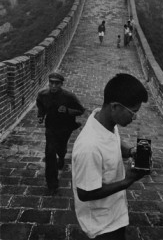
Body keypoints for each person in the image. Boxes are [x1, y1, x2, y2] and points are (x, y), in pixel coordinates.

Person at [72, 73, 148, 239]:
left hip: (115, 212)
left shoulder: (105, 121)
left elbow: (112, 141)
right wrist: (128, 180)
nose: (134, 118)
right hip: (102, 226)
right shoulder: (89, 146)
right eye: (133, 112)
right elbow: (84, 193)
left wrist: (130, 151)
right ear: (115, 106)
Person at [36, 72, 85, 194]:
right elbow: (41, 106)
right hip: (51, 128)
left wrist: (68, 110)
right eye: (51, 83)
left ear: (61, 84)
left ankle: (62, 156)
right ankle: (52, 184)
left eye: (56, 83)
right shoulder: (42, 94)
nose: (53, 86)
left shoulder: (69, 96)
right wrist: (40, 116)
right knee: (50, 153)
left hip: (65, 127)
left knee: (61, 148)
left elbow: (81, 110)